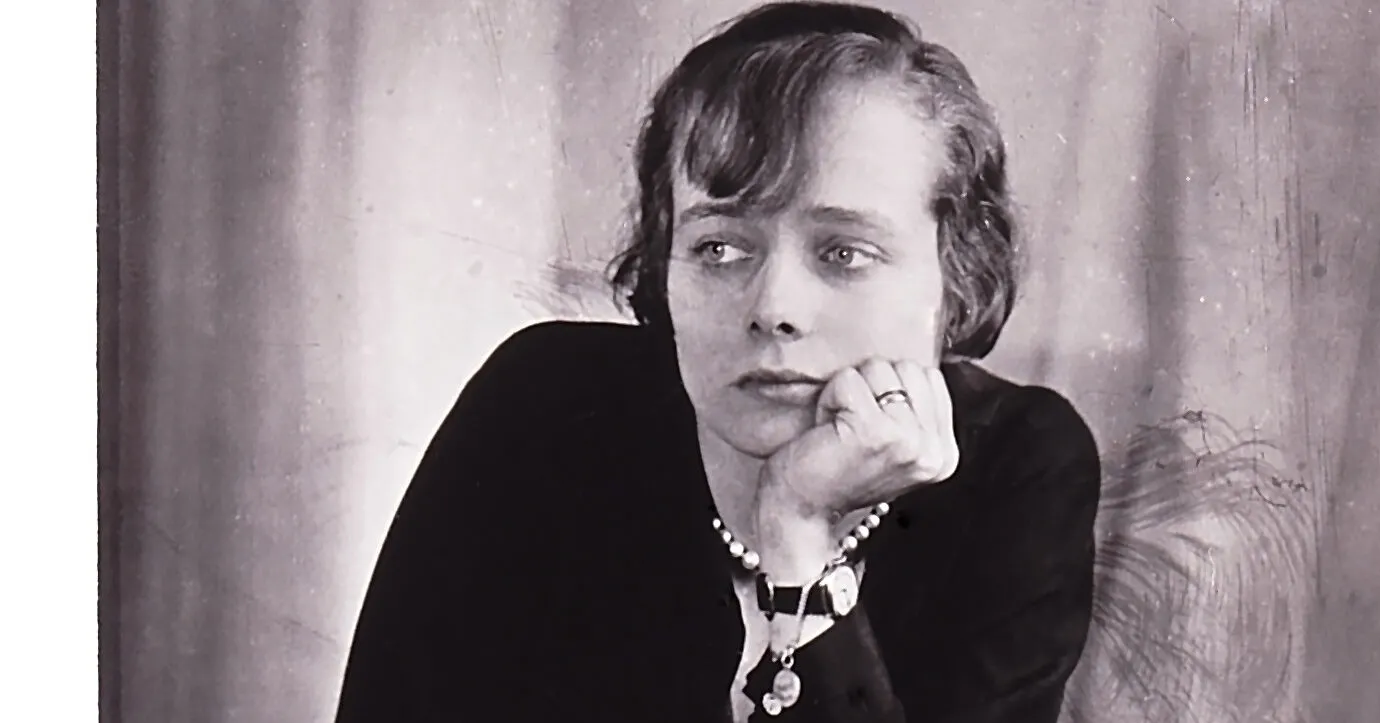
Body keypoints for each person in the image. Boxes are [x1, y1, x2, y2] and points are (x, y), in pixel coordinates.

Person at [335, 2, 1101, 721]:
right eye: (720, 247)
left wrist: (797, 535)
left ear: (956, 274)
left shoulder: (1020, 465)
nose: (774, 307)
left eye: (845, 252)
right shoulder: (543, 409)